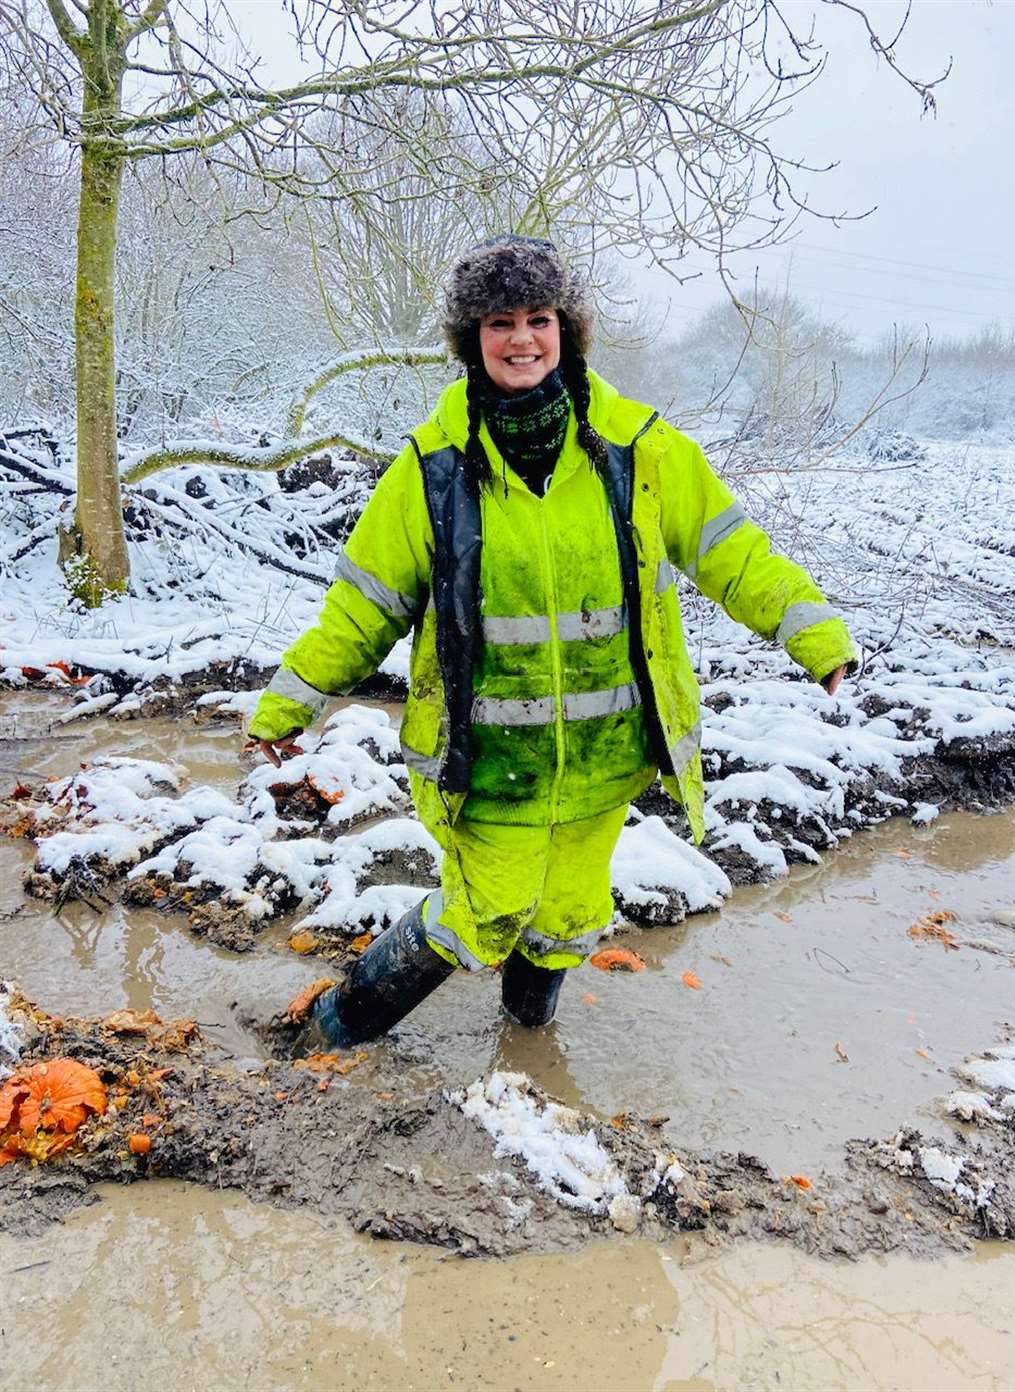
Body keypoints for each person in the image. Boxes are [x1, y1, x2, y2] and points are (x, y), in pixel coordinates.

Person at [246, 234, 857, 1047]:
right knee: (482, 912)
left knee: (570, 916)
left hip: (605, 757)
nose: (523, 339)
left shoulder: (641, 452)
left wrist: (815, 634)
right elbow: (364, 608)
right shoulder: (432, 470)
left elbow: (731, 552)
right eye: (500, 322)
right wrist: (290, 701)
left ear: (567, 329)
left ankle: (527, 1045)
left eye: (540, 317)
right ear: (473, 341)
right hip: (489, 762)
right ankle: (333, 1030)